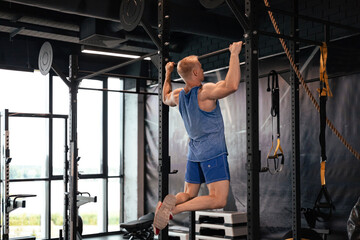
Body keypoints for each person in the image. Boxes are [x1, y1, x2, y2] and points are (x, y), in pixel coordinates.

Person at [153, 41, 243, 233]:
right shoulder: (205, 92)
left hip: (194, 152)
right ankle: (174, 210)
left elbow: (164, 96)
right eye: (200, 68)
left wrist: (168, 73)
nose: (202, 70)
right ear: (194, 73)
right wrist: (234, 54)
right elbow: (232, 85)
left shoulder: (178, 95)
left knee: (187, 193)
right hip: (213, 152)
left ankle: (168, 205)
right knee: (218, 199)